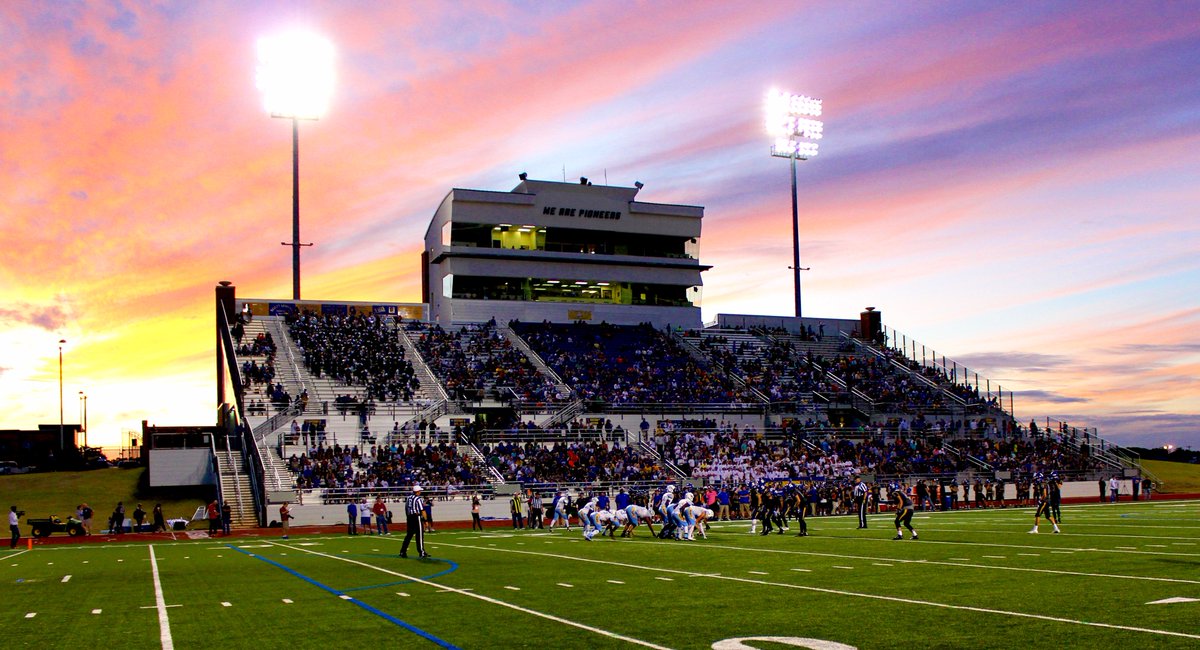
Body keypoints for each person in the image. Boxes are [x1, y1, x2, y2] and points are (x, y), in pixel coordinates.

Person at [399, 485, 429, 559]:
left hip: (410, 517)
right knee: (419, 535)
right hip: (416, 517)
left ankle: (403, 551)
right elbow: (422, 510)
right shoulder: (418, 499)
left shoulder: (409, 498)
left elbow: (406, 507)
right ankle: (421, 552)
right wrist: (425, 520)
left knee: (409, 535)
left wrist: (408, 516)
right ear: (418, 491)